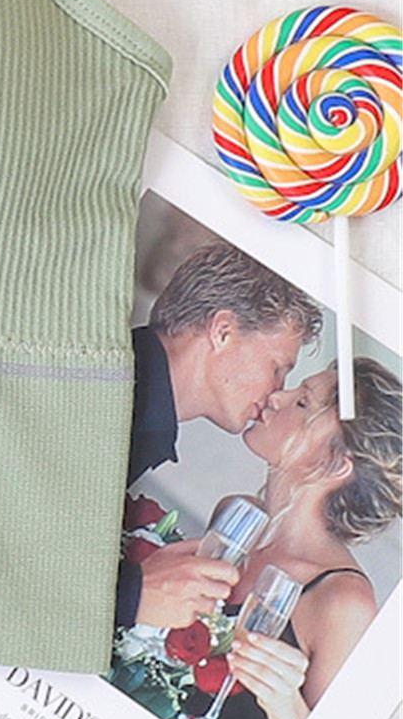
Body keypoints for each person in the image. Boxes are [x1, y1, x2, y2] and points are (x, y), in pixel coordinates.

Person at [201, 356, 402, 719]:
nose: (277, 395)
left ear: (335, 463)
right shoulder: (236, 515)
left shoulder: (341, 599)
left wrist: (282, 701)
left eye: (302, 402)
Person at [116, 243, 322, 630]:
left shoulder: (134, 394)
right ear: (223, 331)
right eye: (278, 368)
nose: (277, 392)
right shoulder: (110, 395)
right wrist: (133, 595)